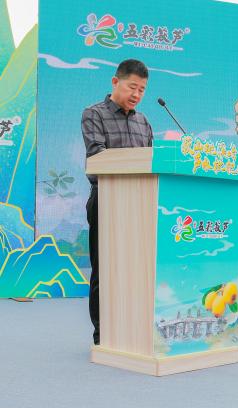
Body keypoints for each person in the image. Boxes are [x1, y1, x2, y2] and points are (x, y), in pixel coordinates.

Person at [81, 59, 154, 345]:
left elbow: (152, 163)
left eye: (142, 90)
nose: (136, 94)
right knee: (105, 270)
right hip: (107, 201)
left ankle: (134, 330)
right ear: (115, 82)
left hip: (141, 204)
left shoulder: (144, 122)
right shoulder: (93, 114)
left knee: (138, 270)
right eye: (132, 87)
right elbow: (97, 156)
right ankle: (103, 335)